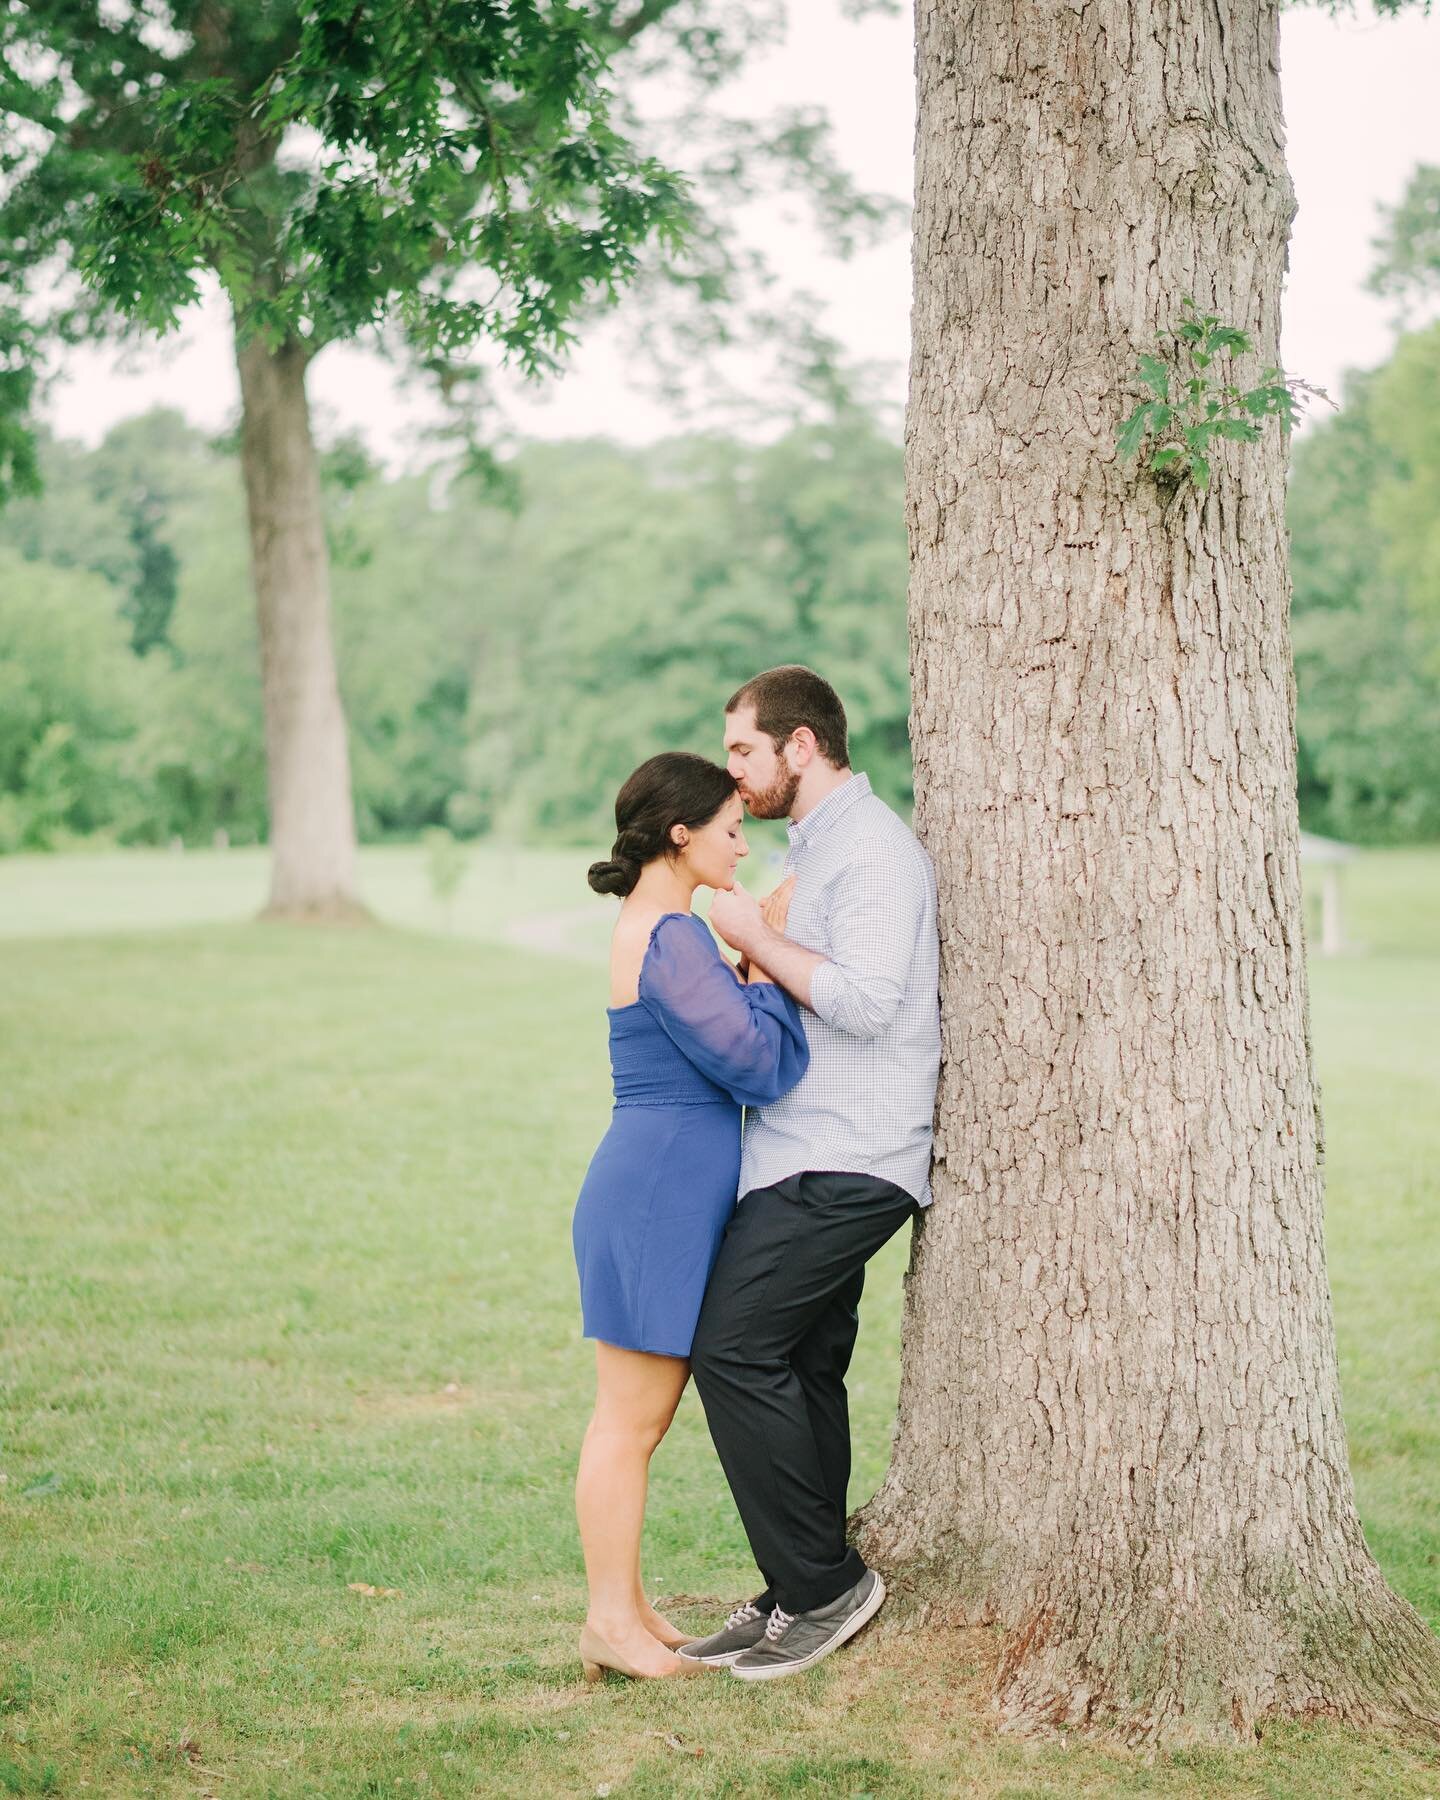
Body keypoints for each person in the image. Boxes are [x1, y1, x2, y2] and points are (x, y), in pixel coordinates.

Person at [678, 666, 941, 1682]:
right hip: (799, 1146)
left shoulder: (872, 851)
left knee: (731, 1346)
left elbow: (871, 1004)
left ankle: (828, 1587)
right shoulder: (815, 850)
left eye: (744, 750)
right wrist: (760, 955)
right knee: (801, 1363)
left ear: (801, 746)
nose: (732, 773)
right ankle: (797, 1586)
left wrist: (753, 936)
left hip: (849, 1156)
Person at [572, 751, 810, 1683]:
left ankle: (626, 1607)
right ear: (683, 833)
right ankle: (608, 1624)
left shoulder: (662, 927)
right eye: (730, 829)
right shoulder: (671, 935)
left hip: (659, 1190)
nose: (741, 846)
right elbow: (757, 1066)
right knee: (627, 1423)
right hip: (653, 1198)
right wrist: (762, 965)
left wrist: (747, 960)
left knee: (639, 1420)